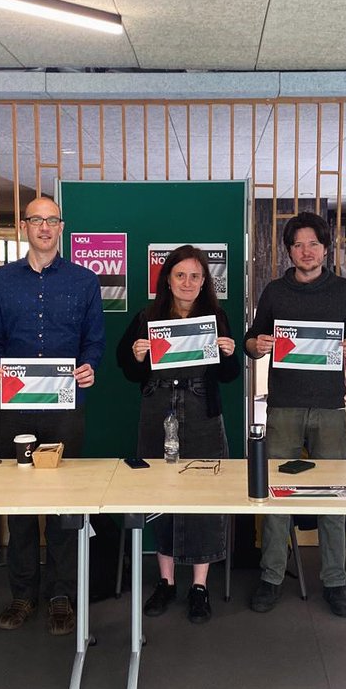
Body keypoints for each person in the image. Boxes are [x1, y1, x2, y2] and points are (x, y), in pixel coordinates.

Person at [0, 195, 105, 635]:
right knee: (19, 506)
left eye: (53, 220)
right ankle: (22, 595)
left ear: (62, 226)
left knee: (63, 505)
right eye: (37, 220)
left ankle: (60, 595)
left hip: (65, 408)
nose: (45, 227)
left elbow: (94, 340)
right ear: (24, 226)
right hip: (15, 408)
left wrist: (90, 366)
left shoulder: (84, 281)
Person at [244, 212, 346, 617]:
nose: (306, 251)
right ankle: (271, 577)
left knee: (333, 497)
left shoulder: (343, 290)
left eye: (313, 244)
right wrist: (257, 345)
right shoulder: (275, 291)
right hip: (282, 405)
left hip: (331, 407)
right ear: (289, 251)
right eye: (298, 245)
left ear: (325, 248)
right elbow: (251, 338)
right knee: (277, 494)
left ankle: (335, 581)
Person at [117, 245, 240, 624]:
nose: (187, 282)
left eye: (195, 276)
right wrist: (137, 356)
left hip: (203, 415)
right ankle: (166, 581)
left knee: (203, 497)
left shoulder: (216, 319)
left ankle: (199, 586)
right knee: (160, 496)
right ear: (167, 280)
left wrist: (228, 353)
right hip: (157, 415)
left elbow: (230, 375)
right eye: (180, 275)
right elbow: (128, 369)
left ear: (205, 282)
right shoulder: (146, 317)